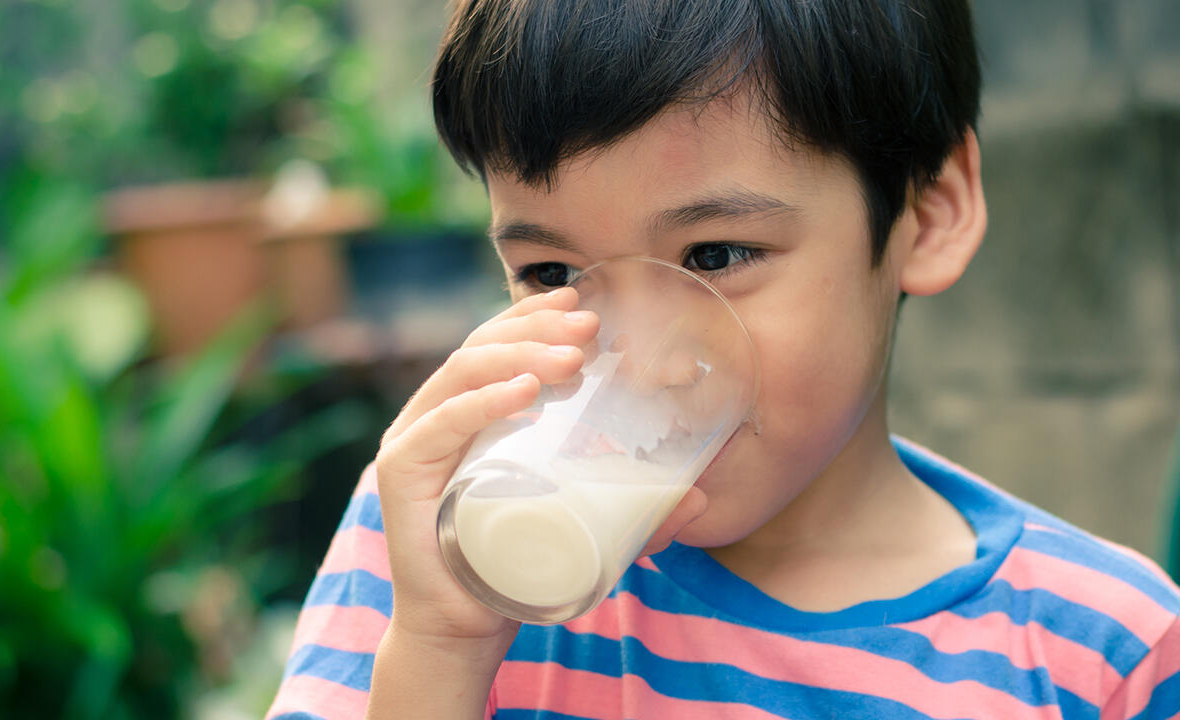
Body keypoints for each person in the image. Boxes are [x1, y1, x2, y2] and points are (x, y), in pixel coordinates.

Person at [267, 1, 1180, 718]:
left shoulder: (1097, 651)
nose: (644, 360)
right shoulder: (433, 544)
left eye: (715, 257)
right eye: (552, 272)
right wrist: (438, 653)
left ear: (928, 214)